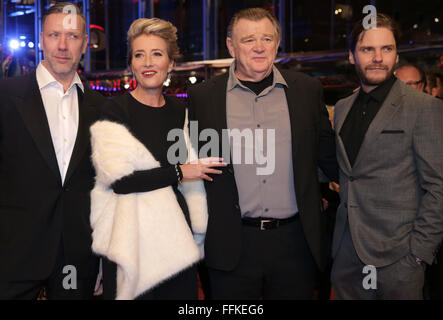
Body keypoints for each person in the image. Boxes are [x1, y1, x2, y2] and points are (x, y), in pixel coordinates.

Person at [188, 7, 338, 299]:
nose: (259, 47)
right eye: (248, 40)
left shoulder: (306, 90)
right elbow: (193, 166)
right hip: (232, 242)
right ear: (231, 45)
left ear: (277, 43)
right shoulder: (203, 98)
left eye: (267, 39)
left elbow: (327, 157)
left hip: (296, 244)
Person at [89, 18, 226, 300]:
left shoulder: (180, 111)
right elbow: (121, 181)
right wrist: (179, 171)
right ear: (131, 64)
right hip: (130, 243)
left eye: (157, 54)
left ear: (171, 63)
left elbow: (191, 178)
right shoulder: (114, 111)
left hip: (176, 241)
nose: (148, 62)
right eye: (139, 55)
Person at [331, 13, 443, 300]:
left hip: (399, 258)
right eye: (368, 49)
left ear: (396, 55)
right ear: (352, 55)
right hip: (347, 255)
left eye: (387, 49)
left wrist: (419, 253)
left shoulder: (423, 108)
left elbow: (438, 187)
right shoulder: (342, 108)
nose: (378, 57)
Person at [0, 2, 104, 299]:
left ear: (85, 43)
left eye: (72, 37)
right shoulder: (6, 96)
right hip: (13, 254)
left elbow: (103, 187)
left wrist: (101, 260)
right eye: (54, 35)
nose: (62, 45)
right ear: (42, 38)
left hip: (77, 258)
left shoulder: (101, 108)